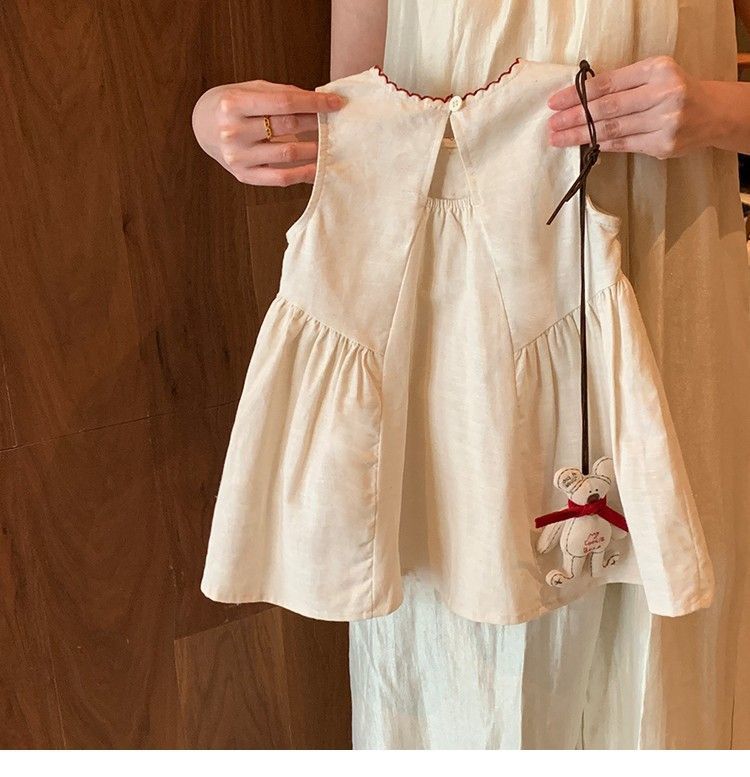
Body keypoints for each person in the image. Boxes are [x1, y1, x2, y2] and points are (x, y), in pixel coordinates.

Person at [191, 0, 750, 749]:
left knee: (665, 654)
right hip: (443, 339)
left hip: (669, 255)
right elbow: (349, 109)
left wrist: (723, 112)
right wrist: (213, 120)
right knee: (463, 669)